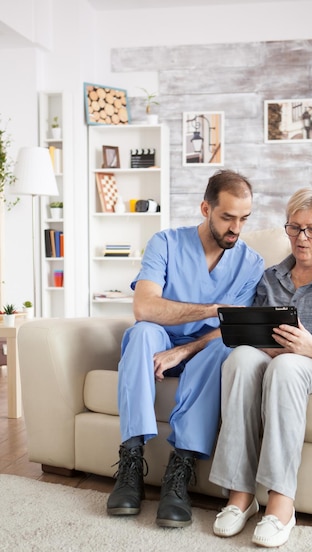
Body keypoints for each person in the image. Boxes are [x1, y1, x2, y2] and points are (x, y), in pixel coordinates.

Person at [209, 188, 312, 547]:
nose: (301, 238)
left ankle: (281, 502)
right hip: (278, 361)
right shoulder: (271, 277)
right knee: (240, 358)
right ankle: (240, 496)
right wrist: (259, 343)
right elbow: (254, 332)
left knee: (288, 367)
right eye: (294, 228)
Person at [107, 169, 264, 528]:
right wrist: (213, 310)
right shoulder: (165, 243)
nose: (235, 229)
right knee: (142, 332)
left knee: (224, 346)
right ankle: (130, 462)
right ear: (205, 208)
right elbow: (145, 308)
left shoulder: (251, 264)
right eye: (227, 217)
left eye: (243, 219)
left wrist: (183, 350)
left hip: (202, 353)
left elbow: (232, 328)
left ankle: (180, 471)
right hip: (158, 340)